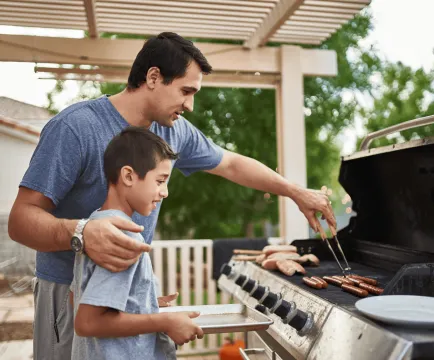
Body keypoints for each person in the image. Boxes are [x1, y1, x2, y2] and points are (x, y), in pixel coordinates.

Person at [8, 32, 336, 360]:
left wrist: (295, 192)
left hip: (124, 300)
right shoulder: (76, 128)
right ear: (153, 77)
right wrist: (82, 234)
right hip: (68, 293)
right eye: (185, 91)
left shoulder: (172, 131)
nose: (190, 105)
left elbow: (233, 165)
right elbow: (21, 221)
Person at [70, 126, 202, 360]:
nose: (165, 192)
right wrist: (165, 320)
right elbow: (88, 322)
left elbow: (80, 297)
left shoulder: (97, 225)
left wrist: (144, 303)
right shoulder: (123, 236)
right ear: (128, 176)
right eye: (160, 181)